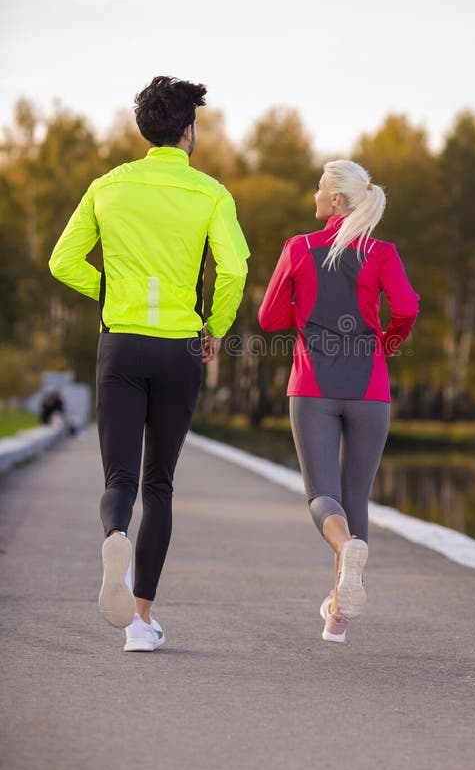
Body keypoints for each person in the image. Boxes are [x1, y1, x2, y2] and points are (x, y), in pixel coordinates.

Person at [49, 76, 250, 652]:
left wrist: (111, 294)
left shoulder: (107, 187)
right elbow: (233, 271)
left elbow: (62, 261)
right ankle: (139, 622)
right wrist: (214, 324)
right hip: (180, 346)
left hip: (122, 343)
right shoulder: (211, 193)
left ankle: (115, 534)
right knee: (159, 483)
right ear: (188, 131)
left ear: (146, 130)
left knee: (118, 479)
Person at [258, 160, 419, 644]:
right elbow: (407, 308)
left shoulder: (300, 247)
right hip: (370, 388)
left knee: (322, 497)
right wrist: (385, 345)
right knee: (356, 498)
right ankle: (338, 616)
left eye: (318, 189)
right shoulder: (382, 252)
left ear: (335, 201)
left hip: (313, 388)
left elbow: (268, 318)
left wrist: (304, 308)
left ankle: (346, 549)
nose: (313, 195)